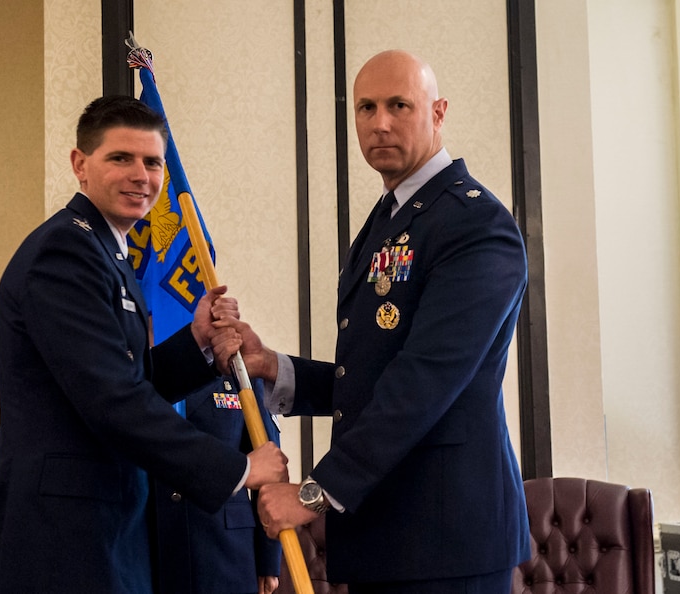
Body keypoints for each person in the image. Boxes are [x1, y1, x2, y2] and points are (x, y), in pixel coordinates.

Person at [223, 50, 531, 593]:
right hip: (384, 534)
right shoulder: (391, 217)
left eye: (399, 105)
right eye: (366, 107)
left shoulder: (476, 224)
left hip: (445, 541)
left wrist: (315, 493)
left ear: (438, 113)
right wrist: (276, 368)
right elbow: (369, 376)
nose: (379, 122)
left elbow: (423, 382)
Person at [0, 95, 288, 593]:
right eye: (120, 158)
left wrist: (197, 342)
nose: (141, 175)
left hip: (108, 526)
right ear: (80, 164)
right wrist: (238, 469)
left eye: (152, 162)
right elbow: (112, 399)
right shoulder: (66, 251)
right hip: (64, 537)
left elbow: (129, 378)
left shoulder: (105, 251)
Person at [153, 378, 281, 594]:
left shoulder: (238, 365)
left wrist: (268, 559)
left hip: (226, 550)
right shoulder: (137, 359)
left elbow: (269, 465)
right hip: (151, 539)